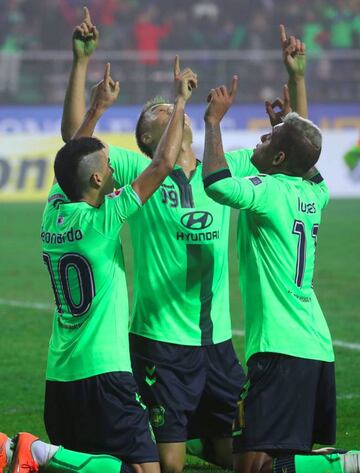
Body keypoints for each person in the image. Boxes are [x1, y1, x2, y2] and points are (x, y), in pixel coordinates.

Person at [60, 8, 258, 472]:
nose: (171, 111)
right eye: (160, 114)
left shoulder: (221, 167)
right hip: (161, 344)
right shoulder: (138, 171)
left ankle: (201, 441)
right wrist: (81, 64)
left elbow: (298, 150)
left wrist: (295, 81)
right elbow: (75, 144)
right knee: (168, 468)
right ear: (148, 138)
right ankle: (181, 442)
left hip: (219, 343)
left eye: (172, 109)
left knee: (243, 457)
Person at [201, 27, 360, 473]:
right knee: (299, 457)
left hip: (278, 348)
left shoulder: (267, 191)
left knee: (252, 467)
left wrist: (213, 122)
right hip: (316, 343)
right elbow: (304, 153)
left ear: (276, 161)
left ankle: (350, 464)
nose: (260, 139)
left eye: (268, 140)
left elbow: (214, 183)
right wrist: (298, 82)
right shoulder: (316, 195)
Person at [41, 56, 196, 473]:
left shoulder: (53, 210)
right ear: (96, 181)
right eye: (108, 168)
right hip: (105, 369)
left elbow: (71, 157)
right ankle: (36, 455)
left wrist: (96, 110)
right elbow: (162, 166)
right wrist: (180, 103)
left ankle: (48, 456)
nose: (113, 171)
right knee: (147, 470)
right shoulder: (103, 220)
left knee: (90, 461)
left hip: (59, 373)